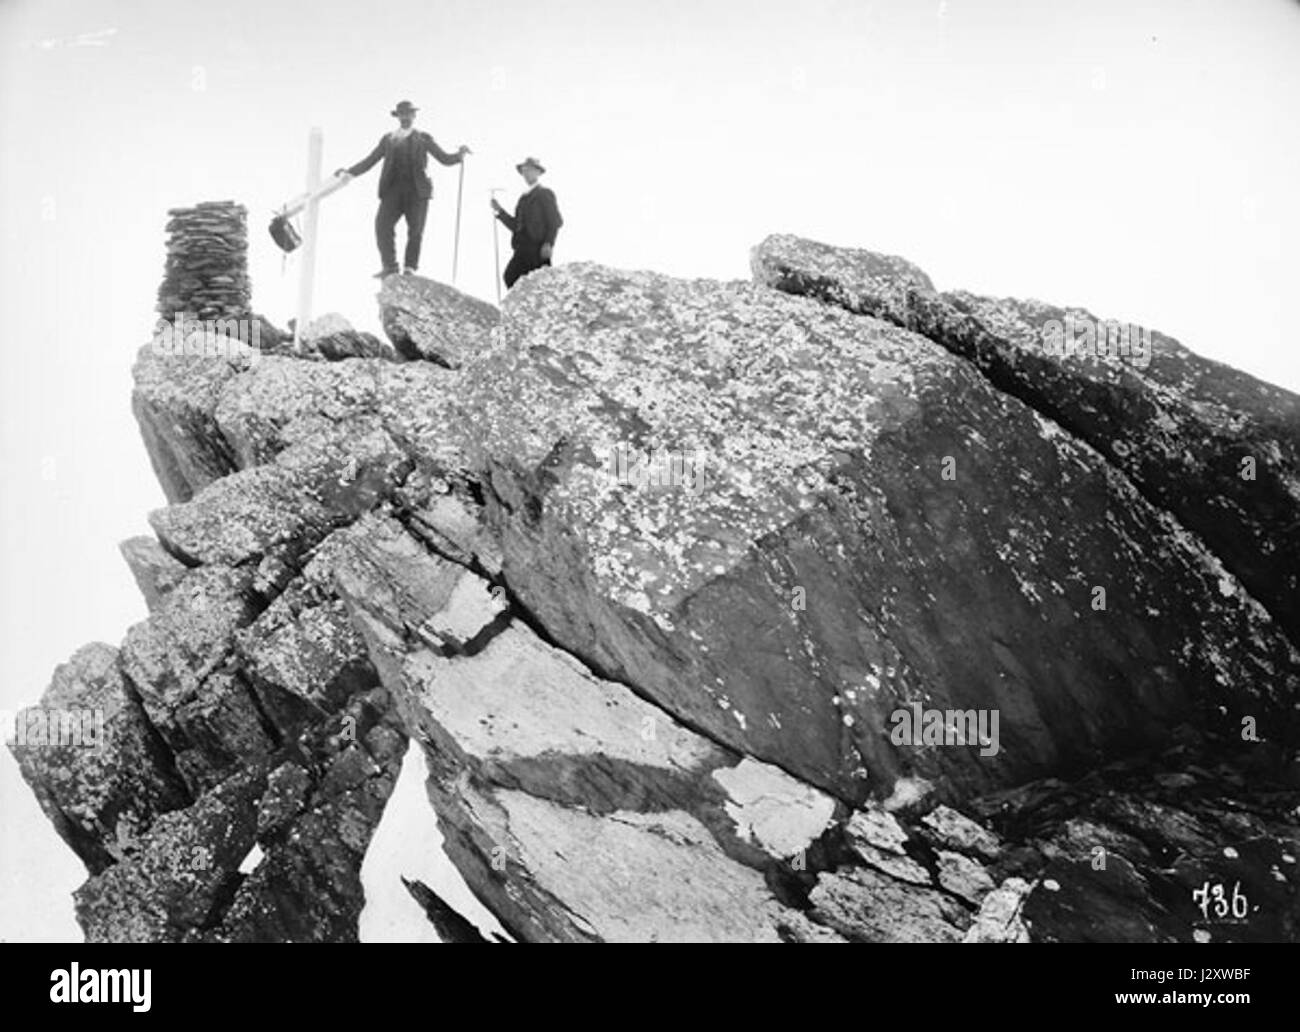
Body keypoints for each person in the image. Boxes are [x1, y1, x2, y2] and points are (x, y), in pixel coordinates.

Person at [336, 100, 470, 278]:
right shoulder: (388, 139)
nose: (405, 116)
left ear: (414, 116)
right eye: (402, 113)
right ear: (397, 116)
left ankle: (410, 267)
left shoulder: (423, 138)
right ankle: (390, 266)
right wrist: (349, 172)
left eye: (409, 113)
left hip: (417, 191)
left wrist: (459, 156)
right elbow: (370, 160)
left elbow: (443, 158)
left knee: (415, 231)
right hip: (393, 190)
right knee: (382, 225)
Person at [491, 157, 563, 289]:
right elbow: (516, 226)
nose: (526, 173)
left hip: (538, 247)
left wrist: (548, 243)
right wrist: (500, 211)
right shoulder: (523, 199)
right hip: (522, 247)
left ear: (538, 172)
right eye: (524, 171)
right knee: (511, 276)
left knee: (540, 283)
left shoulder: (544, 193)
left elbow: (555, 221)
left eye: (529, 170)